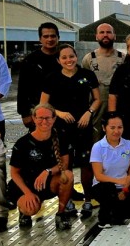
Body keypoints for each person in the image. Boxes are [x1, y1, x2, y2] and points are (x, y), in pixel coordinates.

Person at [40, 44, 100, 218]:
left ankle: (88, 200)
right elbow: (44, 104)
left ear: (76, 56)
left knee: (86, 164)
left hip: (83, 126)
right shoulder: (52, 78)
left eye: (71, 56)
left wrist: (88, 113)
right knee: (64, 165)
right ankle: (67, 201)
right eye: (64, 58)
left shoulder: (87, 75)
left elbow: (97, 100)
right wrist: (59, 113)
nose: (69, 60)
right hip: (61, 129)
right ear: (58, 60)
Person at [7, 103, 74, 229]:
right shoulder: (22, 143)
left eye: (48, 118)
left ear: (54, 119)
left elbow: (64, 164)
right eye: (40, 118)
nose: (44, 121)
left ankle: (61, 213)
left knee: (68, 176)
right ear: (34, 118)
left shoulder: (61, 138)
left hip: (48, 182)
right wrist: (27, 193)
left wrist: (48, 171)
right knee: (30, 209)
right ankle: (24, 213)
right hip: (26, 185)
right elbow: (14, 173)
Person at [90, 112, 130, 229]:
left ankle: (117, 209)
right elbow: (98, 175)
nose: (116, 131)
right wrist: (118, 181)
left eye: (119, 127)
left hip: (124, 187)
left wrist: (125, 189)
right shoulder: (98, 147)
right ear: (103, 128)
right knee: (108, 189)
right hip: (103, 187)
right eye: (112, 128)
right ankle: (104, 219)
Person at [82, 23, 124, 142]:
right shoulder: (89, 59)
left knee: (117, 135)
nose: (105, 35)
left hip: (117, 105)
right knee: (97, 137)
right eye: (102, 32)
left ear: (114, 36)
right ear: (96, 36)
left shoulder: (123, 58)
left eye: (109, 32)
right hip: (97, 106)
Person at [17, 22, 61, 130]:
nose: (49, 39)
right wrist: (24, 113)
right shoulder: (30, 60)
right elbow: (22, 89)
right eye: (46, 36)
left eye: (53, 36)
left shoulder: (64, 58)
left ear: (58, 37)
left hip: (62, 112)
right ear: (40, 39)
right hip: (38, 112)